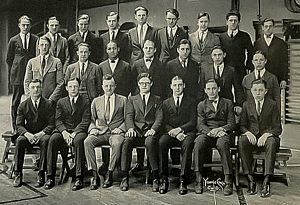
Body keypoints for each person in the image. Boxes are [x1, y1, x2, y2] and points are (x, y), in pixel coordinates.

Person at [45, 77, 91, 191]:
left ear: (79, 87)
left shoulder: (85, 101)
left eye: (75, 86)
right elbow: (58, 120)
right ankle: (50, 176)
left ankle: (79, 177)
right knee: (53, 139)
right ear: (66, 88)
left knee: (79, 141)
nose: (73, 89)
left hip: (78, 131)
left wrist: (74, 133)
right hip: (64, 130)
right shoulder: (61, 102)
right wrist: (64, 132)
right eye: (70, 86)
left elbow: (85, 120)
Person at [239, 79, 282, 198]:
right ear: (251, 91)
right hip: (252, 137)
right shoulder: (247, 104)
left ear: (266, 91)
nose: (258, 93)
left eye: (261, 90)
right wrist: (247, 133)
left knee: (272, 142)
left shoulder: (272, 104)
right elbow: (242, 126)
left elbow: (278, 128)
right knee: (242, 141)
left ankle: (266, 180)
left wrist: (267, 134)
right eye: (255, 90)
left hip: (267, 138)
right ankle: (250, 178)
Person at [120, 73, 163, 192]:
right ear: (138, 84)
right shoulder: (132, 99)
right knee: (127, 142)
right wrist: (130, 128)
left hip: (150, 132)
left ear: (151, 84)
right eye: (142, 83)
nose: (144, 85)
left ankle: (155, 177)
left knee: (150, 143)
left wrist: (153, 129)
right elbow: (129, 116)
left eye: (147, 83)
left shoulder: (157, 99)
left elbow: (159, 118)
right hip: (136, 131)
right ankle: (124, 176)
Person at [194, 79, 236, 195]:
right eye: (208, 89)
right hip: (207, 133)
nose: (211, 91)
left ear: (219, 89)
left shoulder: (227, 103)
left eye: (213, 88)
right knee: (198, 142)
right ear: (205, 91)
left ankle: (228, 180)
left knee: (223, 143)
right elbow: (200, 124)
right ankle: (198, 178)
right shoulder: (201, 105)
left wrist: (221, 129)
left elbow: (232, 123)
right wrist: (210, 132)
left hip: (223, 133)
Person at [85, 74, 127, 190]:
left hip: (116, 132)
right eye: (106, 86)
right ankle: (94, 174)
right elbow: (91, 119)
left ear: (115, 86)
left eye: (111, 86)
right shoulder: (96, 101)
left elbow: (127, 118)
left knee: (117, 143)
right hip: (101, 132)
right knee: (87, 141)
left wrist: (121, 128)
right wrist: (93, 128)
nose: (109, 88)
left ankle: (110, 172)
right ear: (102, 86)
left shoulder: (123, 100)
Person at [13, 79, 55, 188]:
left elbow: (51, 124)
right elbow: (19, 125)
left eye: (38, 87)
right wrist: (27, 134)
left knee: (46, 140)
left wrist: (41, 134)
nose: (35, 90)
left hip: (42, 134)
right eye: (33, 87)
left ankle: (41, 174)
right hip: (29, 134)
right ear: (29, 89)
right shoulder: (23, 105)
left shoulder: (48, 104)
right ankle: (18, 174)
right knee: (19, 140)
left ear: (41, 89)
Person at [158, 76, 197, 195]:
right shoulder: (165, 102)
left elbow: (193, 121)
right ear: (171, 86)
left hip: (187, 132)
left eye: (180, 85)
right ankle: (163, 179)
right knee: (161, 143)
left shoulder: (191, 101)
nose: (177, 87)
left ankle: (183, 179)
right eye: (175, 85)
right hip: (170, 133)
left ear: (184, 86)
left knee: (188, 144)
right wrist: (174, 133)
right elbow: (163, 122)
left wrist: (180, 130)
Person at [6, 15, 39, 134]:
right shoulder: (13, 40)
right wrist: (17, 68)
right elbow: (9, 59)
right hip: (18, 76)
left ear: (30, 26)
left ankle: (32, 126)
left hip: (32, 75)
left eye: (27, 25)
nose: (25, 27)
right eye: (23, 25)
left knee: (33, 100)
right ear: (19, 25)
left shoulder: (36, 39)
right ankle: (16, 127)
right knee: (16, 102)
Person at [24, 36, 64, 104]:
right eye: (42, 45)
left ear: (50, 46)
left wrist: (51, 100)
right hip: (35, 101)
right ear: (38, 46)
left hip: (51, 101)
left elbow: (60, 83)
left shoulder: (56, 62)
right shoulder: (31, 62)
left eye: (46, 45)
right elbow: (27, 82)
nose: (44, 47)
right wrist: (31, 98)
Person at [219, 11, 253, 85]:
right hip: (225, 69)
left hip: (240, 69)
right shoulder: (221, 37)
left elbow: (251, 52)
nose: (233, 22)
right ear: (227, 22)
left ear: (239, 22)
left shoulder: (245, 36)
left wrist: (248, 66)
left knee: (240, 92)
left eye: (235, 20)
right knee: (226, 92)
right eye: (231, 20)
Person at [254, 18, 288, 88]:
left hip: (276, 77)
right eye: (266, 26)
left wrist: (284, 79)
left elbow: (284, 62)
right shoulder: (257, 43)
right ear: (262, 27)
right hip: (261, 78)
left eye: (270, 26)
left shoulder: (281, 43)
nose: (268, 28)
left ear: (273, 27)